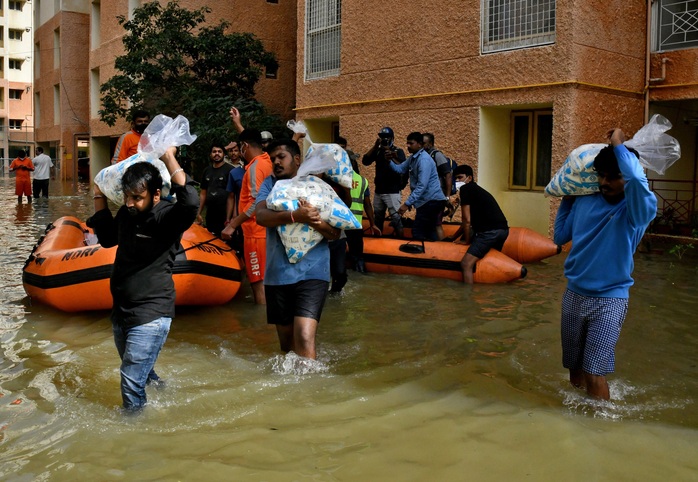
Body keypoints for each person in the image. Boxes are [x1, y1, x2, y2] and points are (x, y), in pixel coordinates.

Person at [86, 147, 198, 412]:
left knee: (130, 379)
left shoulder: (166, 217)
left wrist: (169, 156)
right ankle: (167, 399)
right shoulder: (127, 214)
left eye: (137, 197)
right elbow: (107, 239)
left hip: (151, 314)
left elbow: (191, 203)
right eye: (126, 197)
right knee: (141, 374)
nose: (129, 203)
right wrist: (99, 193)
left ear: (156, 194)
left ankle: (134, 430)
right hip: (122, 313)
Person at [553, 128, 657, 400]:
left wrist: (618, 143)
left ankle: (599, 431)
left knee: (593, 372)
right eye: (601, 175)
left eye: (614, 177)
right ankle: (571, 422)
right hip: (574, 294)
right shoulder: (586, 199)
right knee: (574, 370)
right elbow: (560, 236)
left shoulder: (636, 210)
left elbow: (635, 177)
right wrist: (569, 196)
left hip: (610, 299)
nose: (605, 182)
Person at [255, 139, 341, 359]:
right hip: (277, 275)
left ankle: (311, 389)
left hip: (313, 273)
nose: (276, 162)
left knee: (303, 336)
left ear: (296, 159)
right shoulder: (269, 184)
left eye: (280, 157)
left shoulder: (316, 187)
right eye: (272, 159)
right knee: (287, 345)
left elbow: (334, 233)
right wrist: (295, 216)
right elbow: (262, 217)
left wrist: (313, 221)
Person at [221, 128, 273, 305]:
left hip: (255, 233)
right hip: (267, 230)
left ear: (244, 146)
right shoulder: (268, 161)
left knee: (258, 284)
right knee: (268, 280)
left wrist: (233, 224)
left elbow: (256, 203)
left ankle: (260, 329)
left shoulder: (255, 168)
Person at [450, 164, 509, 284]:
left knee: (466, 264)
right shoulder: (477, 190)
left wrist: (466, 240)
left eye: (460, 178)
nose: (457, 181)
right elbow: (467, 222)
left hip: (489, 232)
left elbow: (466, 220)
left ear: (469, 178)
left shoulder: (466, 190)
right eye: (455, 178)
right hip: (503, 230)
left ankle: (467, 298)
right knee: (491, 261)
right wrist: (452, 237)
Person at [387, 132, 447, 241]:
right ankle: (434, 253)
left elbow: (421, 186)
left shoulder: (423, 160)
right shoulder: (413, 158)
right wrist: (388, 160)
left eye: (411, 143)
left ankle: (425, 254)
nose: (408, 146)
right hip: (427, 201)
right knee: (429, 231)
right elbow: (400, 169)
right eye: (407, 143)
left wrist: (407, 204)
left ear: (419, 144)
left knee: (418, 231)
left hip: (431, 201)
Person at [362, 127, 407, 237]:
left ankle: (400, 240)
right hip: (379, 191)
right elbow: (365, 161)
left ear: (392, 138)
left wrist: (391, 155)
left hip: (392, 191)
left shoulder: (398, 151)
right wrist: (375, 146)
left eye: (386, 137)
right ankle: (378, 240)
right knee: (378, 217)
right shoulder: (377, 151)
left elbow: (403, 167)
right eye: (382, 137)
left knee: (396, 218)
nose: (384, 139)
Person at [346, 158, 381, 273]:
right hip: (356, 224)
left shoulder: (338, 179)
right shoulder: (363, 181)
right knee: (357, 255)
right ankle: (360, 273)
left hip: (340, 222)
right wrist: (372, 223)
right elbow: (368, 205)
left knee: (338, 253)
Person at [196, 143, 233, 237]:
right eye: (214, 152)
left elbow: (232, 196)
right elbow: (203, 193)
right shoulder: (206, 171)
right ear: (210, 154)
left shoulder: (230, 170)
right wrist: (198, 213)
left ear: (224, 154)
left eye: (219, 151)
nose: (217, 154)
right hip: (210, 215)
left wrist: (229, 218)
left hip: (225, 215)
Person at [423, 133, 453, 240]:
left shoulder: (437, 155)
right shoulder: (422, 157)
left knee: (437, 223)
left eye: (424, 143)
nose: (421, 145)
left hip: (437, 196)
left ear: (430, 144)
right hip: (426, 197)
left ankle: (442, 246)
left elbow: (448, 175)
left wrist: (447, 196)